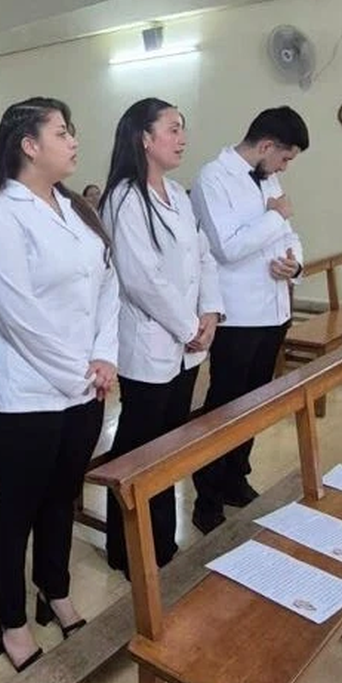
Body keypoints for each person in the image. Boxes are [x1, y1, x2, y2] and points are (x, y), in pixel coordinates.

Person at [0, 97, 119, 672]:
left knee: (62, 497)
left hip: (82, 385)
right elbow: (18, 314)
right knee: (18, 507)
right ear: (29, 146)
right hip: (22, 392)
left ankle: (52, 589)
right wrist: (79, 373)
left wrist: (104, 356)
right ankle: (7, 619)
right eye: (63, 131)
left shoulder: (75, 209)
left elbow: (110, 283)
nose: (74, 140)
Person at [100, 99, 223, 571]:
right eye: (173, 129)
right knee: (138, 448)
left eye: (182, 129)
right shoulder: (124, 199)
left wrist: (209, 312)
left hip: (186, 345)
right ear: (144, 139)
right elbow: (141, 278)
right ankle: (128, 548)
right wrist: (190, 325)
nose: (182, 137)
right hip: (149, 345)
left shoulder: (176, 192)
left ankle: (160, 539)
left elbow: (205, 255)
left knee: (168, 446)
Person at [189, 106, 308, 533]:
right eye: (284, 158)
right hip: (237, 315)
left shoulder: (268, 178)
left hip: (274, 309)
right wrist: (276, 215)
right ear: (266, 146)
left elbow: (291, 236)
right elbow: (227, 247)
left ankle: (236, 477)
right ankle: (208, 495)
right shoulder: (213, 178)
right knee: (225, 406)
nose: (284, 167)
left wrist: (295, 265)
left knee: (255, 404)